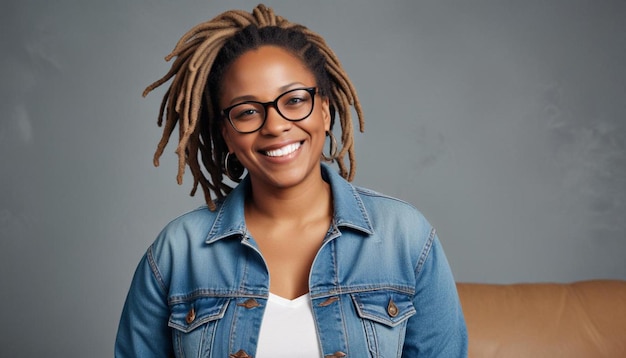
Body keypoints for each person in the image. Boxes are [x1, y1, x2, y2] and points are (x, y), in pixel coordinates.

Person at [115, 4, 467, 357]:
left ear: (325, 111)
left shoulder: (405, 238)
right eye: (248, 111)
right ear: (226, 134)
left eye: (295, 100)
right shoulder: (177, 253)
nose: (275, 125)